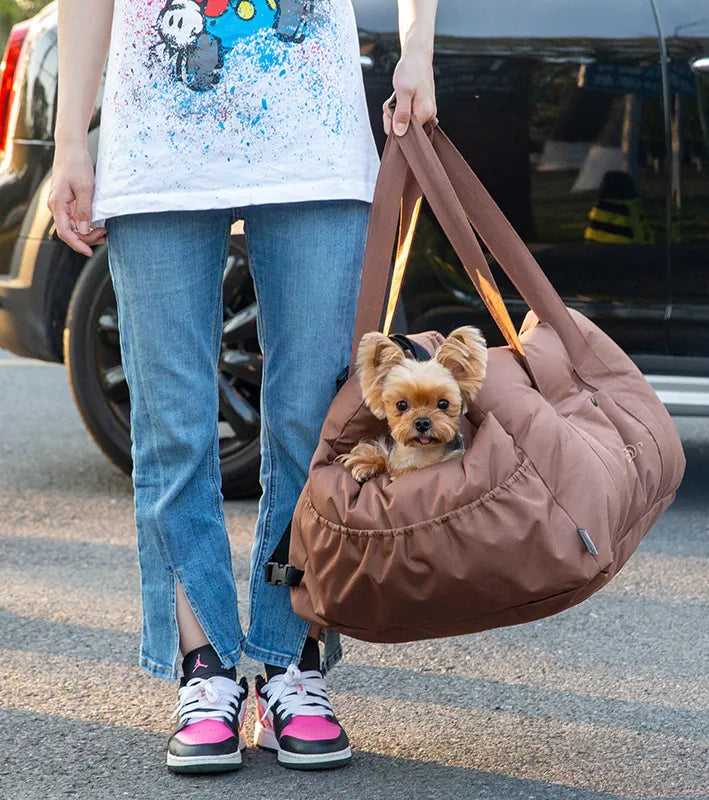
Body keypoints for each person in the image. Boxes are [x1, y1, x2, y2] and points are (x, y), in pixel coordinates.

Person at [49, 0, 438, 775]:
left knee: (311, 423)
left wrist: (418, 51)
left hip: (314, 134)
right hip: (156, 141)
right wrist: (69, 141)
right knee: (171, 426)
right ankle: (206, 667)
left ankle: (292, 654)